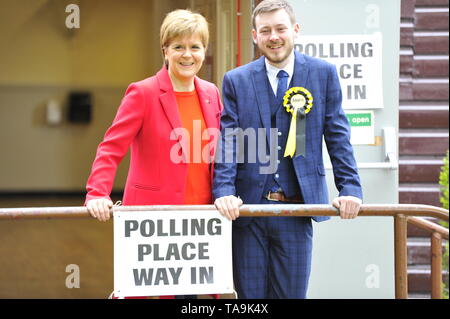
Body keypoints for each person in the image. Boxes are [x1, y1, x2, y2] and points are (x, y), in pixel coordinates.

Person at [213, 0, 362, 299]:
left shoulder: (323, 74)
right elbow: (228, 141)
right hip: (248, 211)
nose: (274, 37)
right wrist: (223, 191)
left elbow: (337, 136)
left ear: (295, 30)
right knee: (250, 300)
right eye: (265, 30)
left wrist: (350, 188)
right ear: (255, 36)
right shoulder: (236, 80)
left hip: (297, 209)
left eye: (280, 28)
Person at [85, 9, 222, 299]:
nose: (188, 55)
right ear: (165, 50)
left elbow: (219, 154)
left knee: (190, 299)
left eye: (195, 47)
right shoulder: (143, 93)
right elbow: (111, 147)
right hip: (153, 221)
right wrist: (97, 192)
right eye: (178, 47)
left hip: (202, 223)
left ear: (204, 51)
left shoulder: (212, 93)